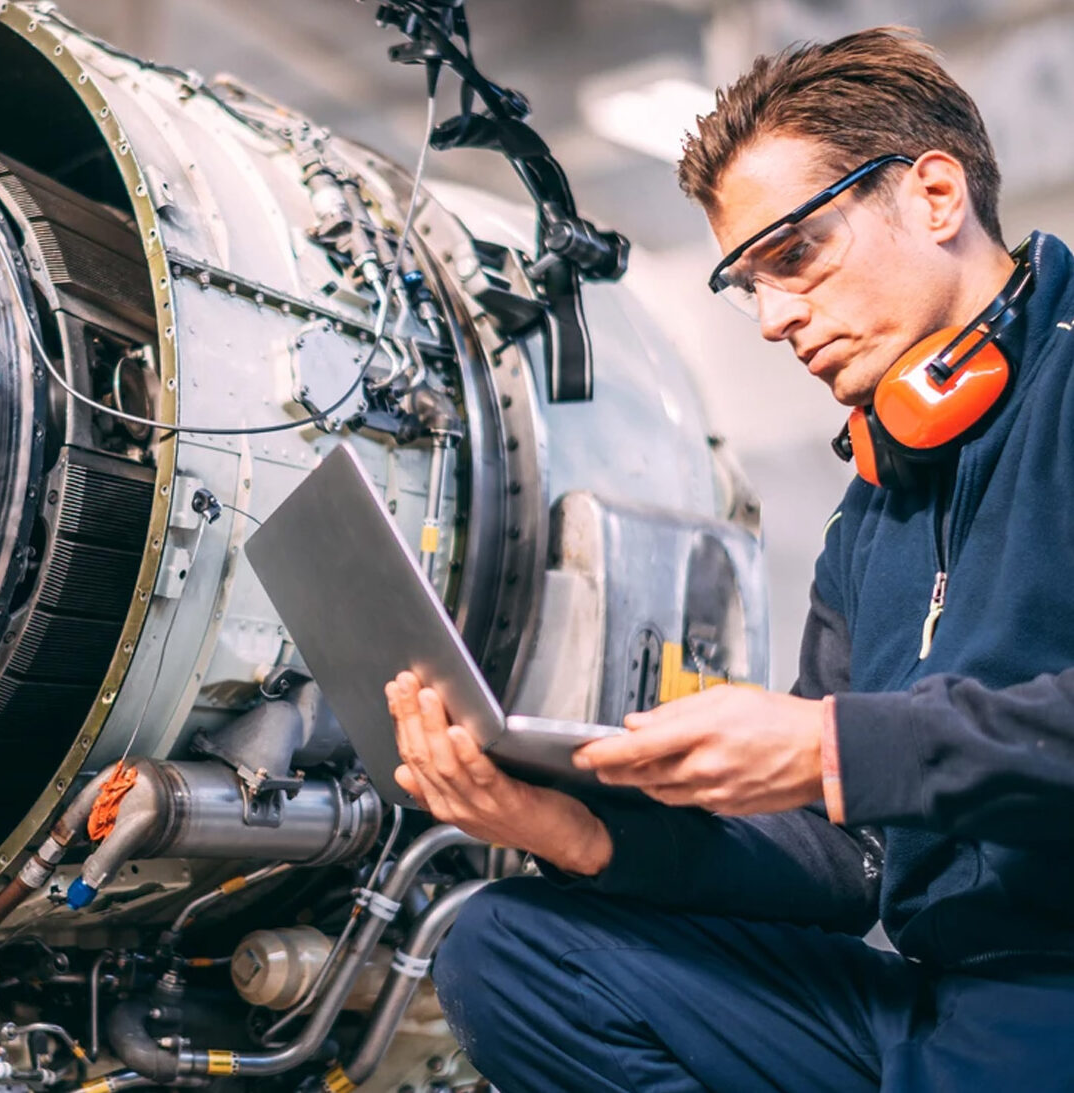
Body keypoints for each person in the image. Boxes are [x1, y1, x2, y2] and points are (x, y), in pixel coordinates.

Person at [384, 26, 1074, 1092]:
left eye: (794, 254)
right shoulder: (873, 512)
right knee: (510, 949)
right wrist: (575, 831)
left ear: (935, 195)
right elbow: (846, 862)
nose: (772, 318)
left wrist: (836, 744)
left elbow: (852, 758)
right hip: (942, 1005)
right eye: (746, 284)